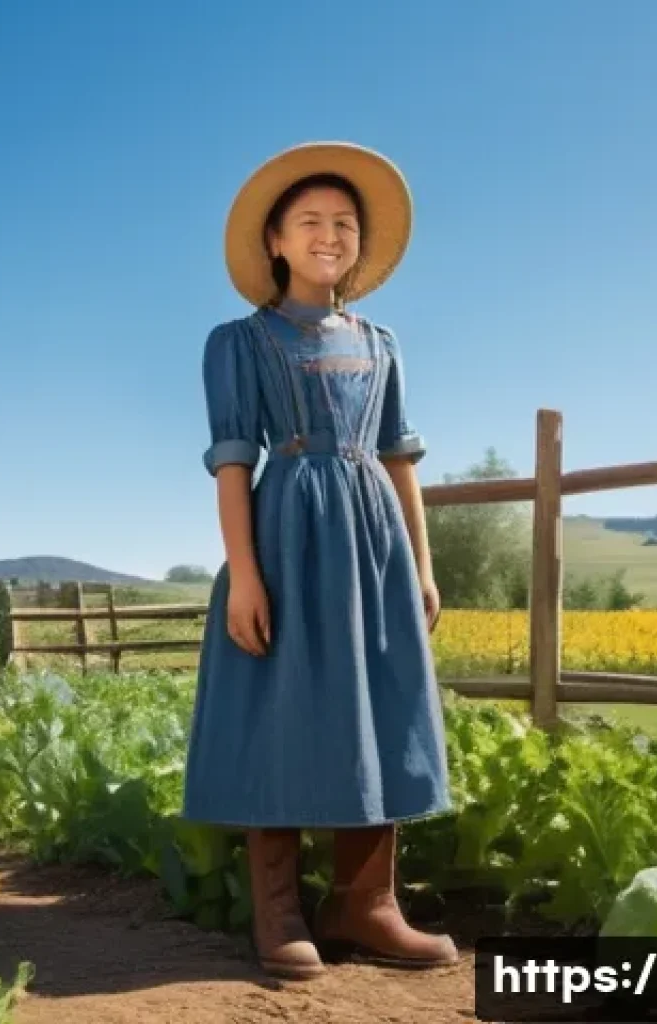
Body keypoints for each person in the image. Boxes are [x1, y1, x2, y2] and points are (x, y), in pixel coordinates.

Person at [182, 141, 457, 980]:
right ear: (275, 240)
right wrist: (246, 573)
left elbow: (400, 460)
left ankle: (367, 905)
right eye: (309, 221)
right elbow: (234, 461)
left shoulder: (381, 342)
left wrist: (422, 562)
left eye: (344, 222)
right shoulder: (239, 341)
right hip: (286, 534)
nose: (328, 234)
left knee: (379, 701)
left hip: (374, 537)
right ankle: (278, 909)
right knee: (282, 701)